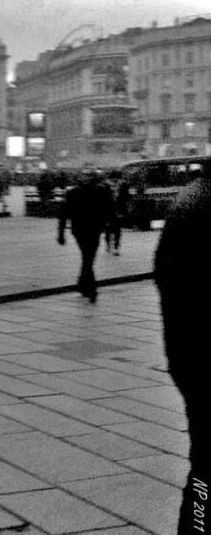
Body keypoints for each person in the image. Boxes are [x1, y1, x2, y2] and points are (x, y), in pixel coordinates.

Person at [154, 160, 211, 534]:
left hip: (191, 358)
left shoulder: (193, 196)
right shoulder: (203, 202)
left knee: (204, 468)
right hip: (204, 360)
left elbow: (166, 276)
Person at [57, 169, 115, 303]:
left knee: (87, 257)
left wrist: (61, 233)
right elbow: (110, 210)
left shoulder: (73, 192)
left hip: (81, 230)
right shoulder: (101, 191)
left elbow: (63, 214)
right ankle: (89, 288)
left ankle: (84, 285)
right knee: (88, 257)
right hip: (93, 229)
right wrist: (111, 226)